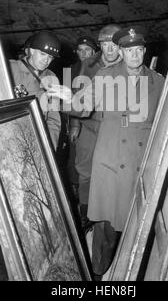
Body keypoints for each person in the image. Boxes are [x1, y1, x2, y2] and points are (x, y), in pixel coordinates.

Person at [48, 26, 165, 279]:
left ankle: (130, 272)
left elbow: (166, 120)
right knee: (107, 229)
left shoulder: (159, 81)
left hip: (142, 163)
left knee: (138, 226)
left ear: (144, 51)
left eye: (138, 49)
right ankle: (98, 274)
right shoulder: (105, 76)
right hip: (112, 161)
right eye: (128, 50)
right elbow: (84, 105)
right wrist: (66, 98)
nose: (134, 55)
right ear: (121, 53)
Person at [69, 25, 122, 232]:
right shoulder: (89, 64)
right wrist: (74, 124)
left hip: (113, 129)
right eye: (105, 45)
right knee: (84, 169)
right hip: (89, 125)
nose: (109, 50)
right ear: (99, 45)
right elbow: (77, 93)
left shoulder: (129, 63)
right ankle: (85, 213)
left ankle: (109, 215)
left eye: (114, 45)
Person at [9, 30, 62, 151]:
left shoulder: (52, 78)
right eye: (42, 54)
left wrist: (50, 148)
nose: (46, 60)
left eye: (50, 57)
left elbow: (53, 119)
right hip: (11, 136)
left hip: (37, 139)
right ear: (32, 51)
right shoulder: (11, 69)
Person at [67, 35, 98, 203]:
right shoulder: (72, 70)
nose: (84, 53)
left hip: (95, 121)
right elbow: (69, 100)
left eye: (88, 50)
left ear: (94, 52)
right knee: (75, 158)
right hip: (78, 122)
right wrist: (74, 124)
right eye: (80, 50)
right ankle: (76, 195)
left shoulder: (100, 69)